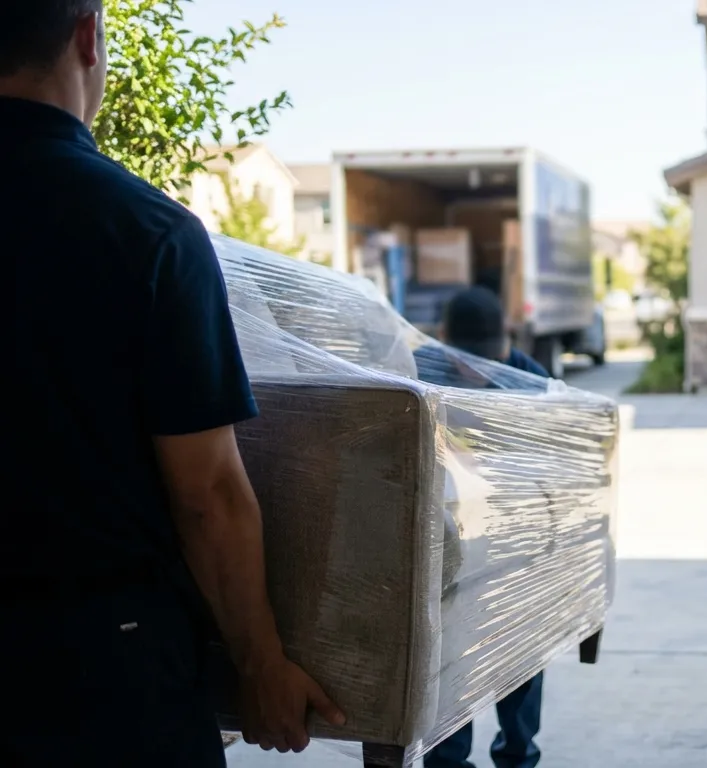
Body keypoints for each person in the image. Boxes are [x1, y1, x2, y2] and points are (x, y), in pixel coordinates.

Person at [1, 3, 344, 766]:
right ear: (88, 37)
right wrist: (261, 665)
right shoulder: (145, 231)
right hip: (97, 673)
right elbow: (207, 492)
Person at [413, 286, 548, 768]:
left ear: (505, 339)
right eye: (468, 361)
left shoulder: (529, 382)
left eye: (489, 359)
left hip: (510, 543)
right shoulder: (420, 372)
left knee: (521, 663)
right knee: (450, 664)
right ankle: (448, 761)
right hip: (446, 547)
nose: (479, 372)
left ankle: (518, 754)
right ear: (444, 340)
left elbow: (546, 474)